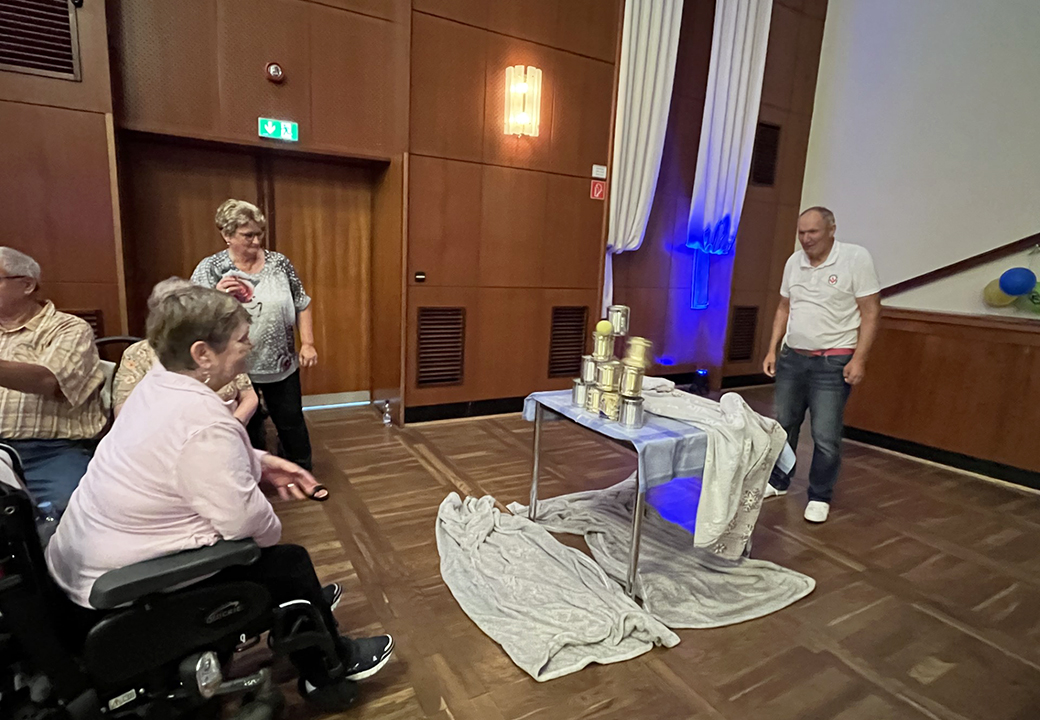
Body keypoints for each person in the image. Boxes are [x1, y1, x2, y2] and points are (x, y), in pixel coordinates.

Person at [45, 287, 389, 711]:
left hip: (80, 567)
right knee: (286, 561)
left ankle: (308, 605)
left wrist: (257, 461)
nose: (251, 345)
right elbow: (251, 528)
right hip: (116, 589)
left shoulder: (158, 384)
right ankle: (328, 670)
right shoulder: (203, 422)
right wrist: (255, 494)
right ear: (202, 353)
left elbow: (180, 457)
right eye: (243, 338)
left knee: (281, 564)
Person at [762, 207, 881, 523]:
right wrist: (772, 349)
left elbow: (870, 312)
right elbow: (784, 307)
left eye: (812, 232)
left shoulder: (855, 258)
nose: (806, 239)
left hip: (833, 361)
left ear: (831, 229)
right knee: (783, 425)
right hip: (792, 358)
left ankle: (819, 496)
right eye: (801, 232)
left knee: (825, 434)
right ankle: (778, 481)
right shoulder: (794, 262)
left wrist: (859, 358)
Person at [191, 200, 317, 470]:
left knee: (291, 422)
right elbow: (193, 316)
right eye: (248, 235)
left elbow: (302, 303)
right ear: (227, 235)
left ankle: (301, 472)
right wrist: (217, 297)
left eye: (260, 233)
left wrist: (307, 343)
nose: (257, 241)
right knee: (247, 427)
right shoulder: (211, 268)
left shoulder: (279, 263)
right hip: (235, 368)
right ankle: (251, 475)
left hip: (281, 364)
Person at [0, 247, 104, 514]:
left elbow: (48, 380)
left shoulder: (69, 328)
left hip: (51, 452)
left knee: (67, 514)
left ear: (27, 285)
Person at [113, 277, 258, 425]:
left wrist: (233, 424)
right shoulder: (139, 354)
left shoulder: (217, 344)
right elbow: (124, 413)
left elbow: (249, 396)